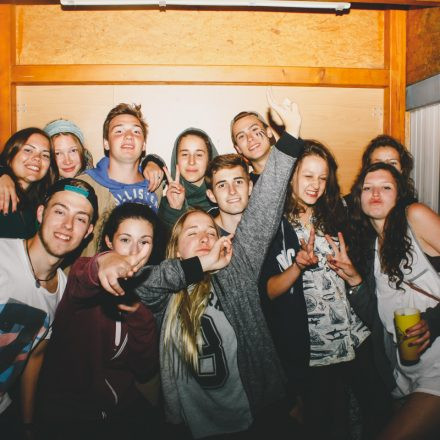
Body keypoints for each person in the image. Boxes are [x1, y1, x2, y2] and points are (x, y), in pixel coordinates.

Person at [108, 93, 303, 439]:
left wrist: (290, 136)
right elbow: (141, 283)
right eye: (192, 232)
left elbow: (264, 205)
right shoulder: (169, 284)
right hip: (189, 425)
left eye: (210, 232)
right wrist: (197, 266)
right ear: (175, 245)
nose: (203, 236)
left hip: (255, 415)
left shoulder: (237, 264)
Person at [260, 140, 389, 440]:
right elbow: (269, 292)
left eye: (322, 178)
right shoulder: (274, 225)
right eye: (308, 176)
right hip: (317, 349)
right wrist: (298, 266)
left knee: (378, 414)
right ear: (291, 175)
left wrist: (352, 269)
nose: (315, 185)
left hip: (356, 336)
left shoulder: (335, 212)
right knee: (327, 426)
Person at [36, 202, 165, 440]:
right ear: (109, 241)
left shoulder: (147, 299)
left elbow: (144, 368)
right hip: (70, 417)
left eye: (144, 242)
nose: (134, 250)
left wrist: (138, 314)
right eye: (125, 239)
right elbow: (85, 274)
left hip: (120, 413)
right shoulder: (83, 274)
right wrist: (104, 262)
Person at [344, 162, 440, 440]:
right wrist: (354, 280)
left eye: (385, 187)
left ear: (400, 195)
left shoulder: (415, 217)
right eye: (368, 188)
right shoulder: (372, 247)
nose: (375, 194)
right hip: (403, 374)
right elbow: (377, 320)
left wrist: (434, 321)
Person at [0, 178, 98, 439]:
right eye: (60, 211)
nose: (67, 225)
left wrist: (28, 425)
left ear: (88, 231)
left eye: (80, 218)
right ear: (41, 213)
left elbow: (34, 355)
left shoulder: (64, 291)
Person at [78, 103, 164, 257]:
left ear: (144, 145)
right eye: (119, 131)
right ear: (106, 143)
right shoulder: (85, 185)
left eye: (136, 131)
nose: (129, 136)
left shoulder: (155, 185)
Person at [0, 128, 57, 238]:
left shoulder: (42, 201)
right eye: (28, 150)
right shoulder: (2, 192)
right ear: (10, 154)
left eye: (45, 155)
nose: (37, 158)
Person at [159, 128, 218, 230]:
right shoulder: (165, 205)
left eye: (199, 155)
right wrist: (175, 210)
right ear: (176, 160)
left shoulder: (224, 198)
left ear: (209, 160)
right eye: (185, 154)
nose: (191, 161)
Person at [205, 153, 253, 236]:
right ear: (211, 195)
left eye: (238, 182)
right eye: (222, 185)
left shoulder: (270, 225)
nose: (232, 191)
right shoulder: (205, 237)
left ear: (250, 187)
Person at [230, 110, 276, 184]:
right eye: (241, 136)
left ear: (269, 132)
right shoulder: (246, 187)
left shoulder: (294, 165)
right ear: (238, 149)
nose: (249, 138)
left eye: (254, 129)